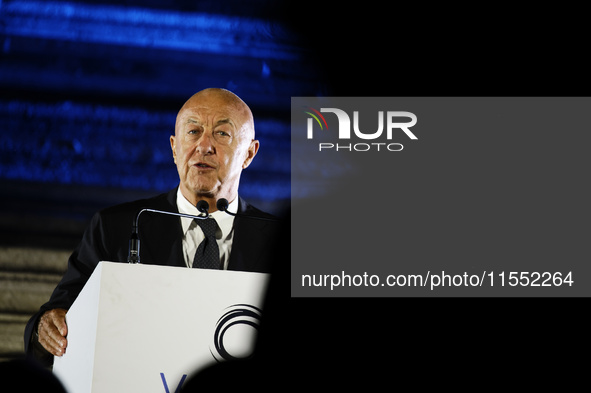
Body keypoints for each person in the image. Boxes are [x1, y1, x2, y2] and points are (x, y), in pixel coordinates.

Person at [24, 88, 282, 366]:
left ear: (249, 153)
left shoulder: (284, 241)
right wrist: (47, 328)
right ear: (174, 148)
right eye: (193, 131)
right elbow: (51, 320)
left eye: (222, 133)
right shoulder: (116, 227)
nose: (204, 146)